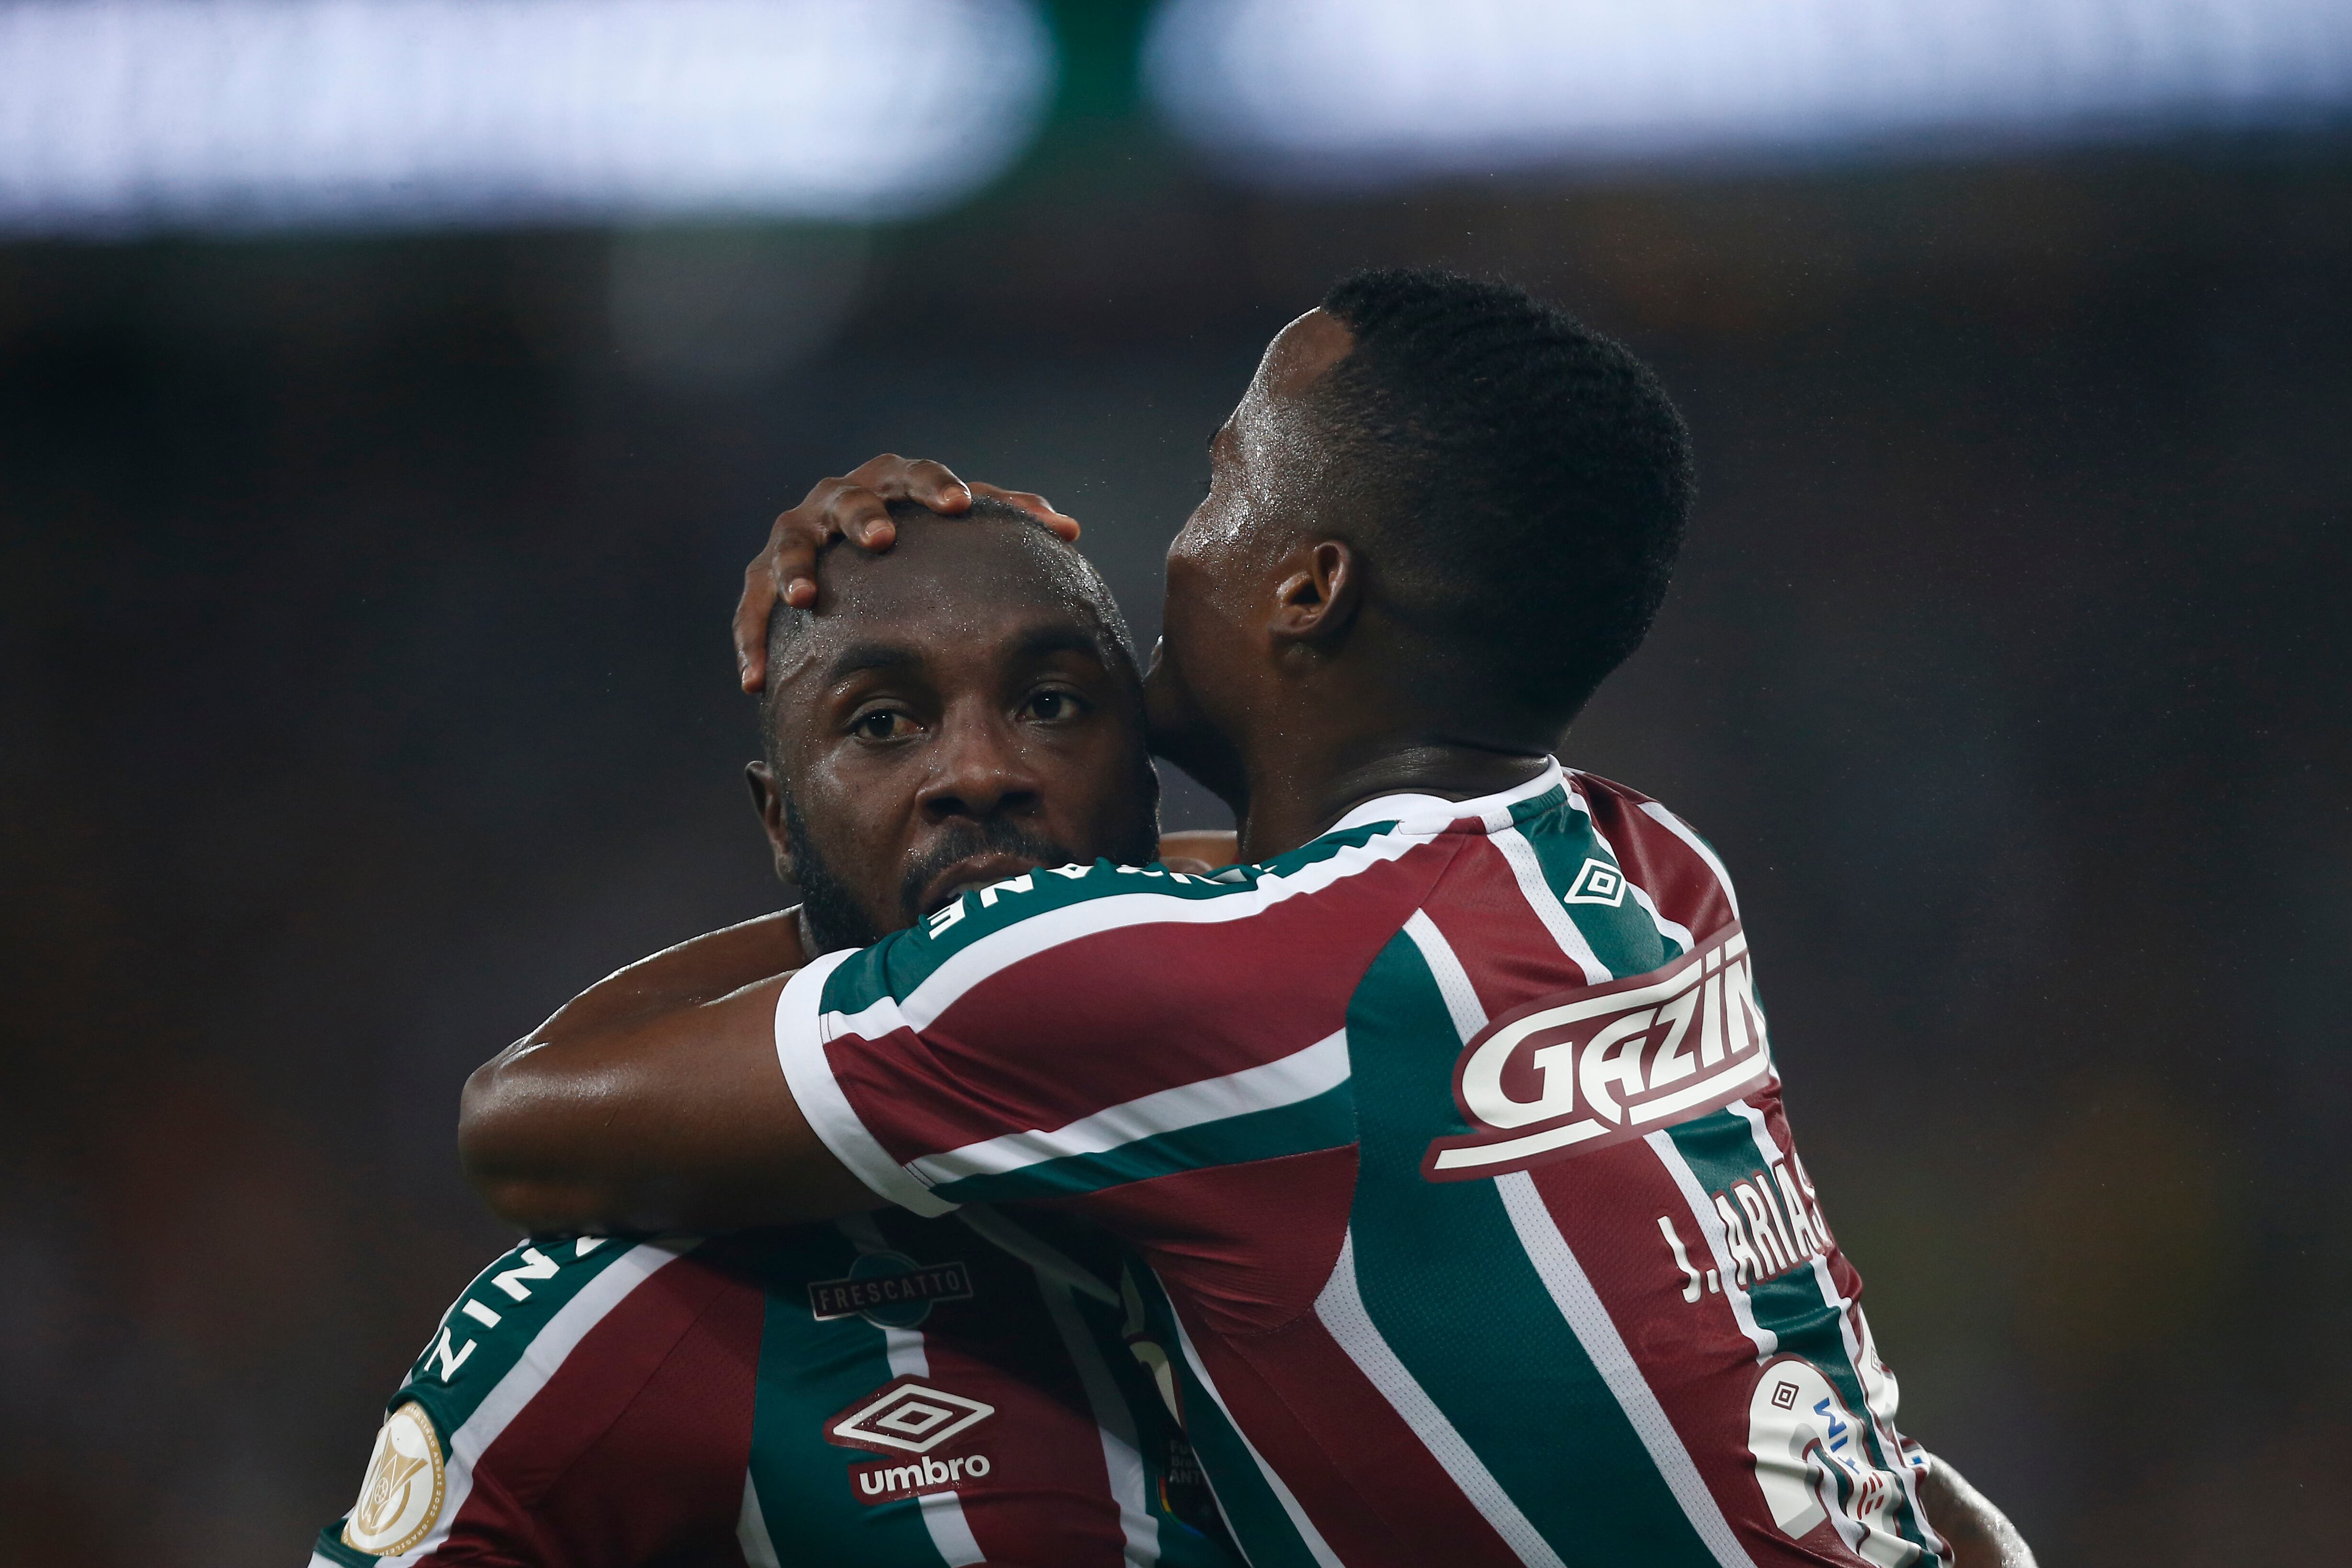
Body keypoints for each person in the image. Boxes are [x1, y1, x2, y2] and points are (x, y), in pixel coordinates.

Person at [460, 270, 2035, 1568]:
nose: (1179, 541)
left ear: (1309, 590)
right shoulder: (1655, 873)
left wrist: (892, 854)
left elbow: (524, 1119)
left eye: (1222, 480)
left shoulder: (1198, 997)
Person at [310, 500, 1244, 1568]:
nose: (979, 770)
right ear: (779, 823)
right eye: (882, 722)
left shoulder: (1377, 1081)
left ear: (1142, 769)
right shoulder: (634, 1309)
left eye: (1047, 702)